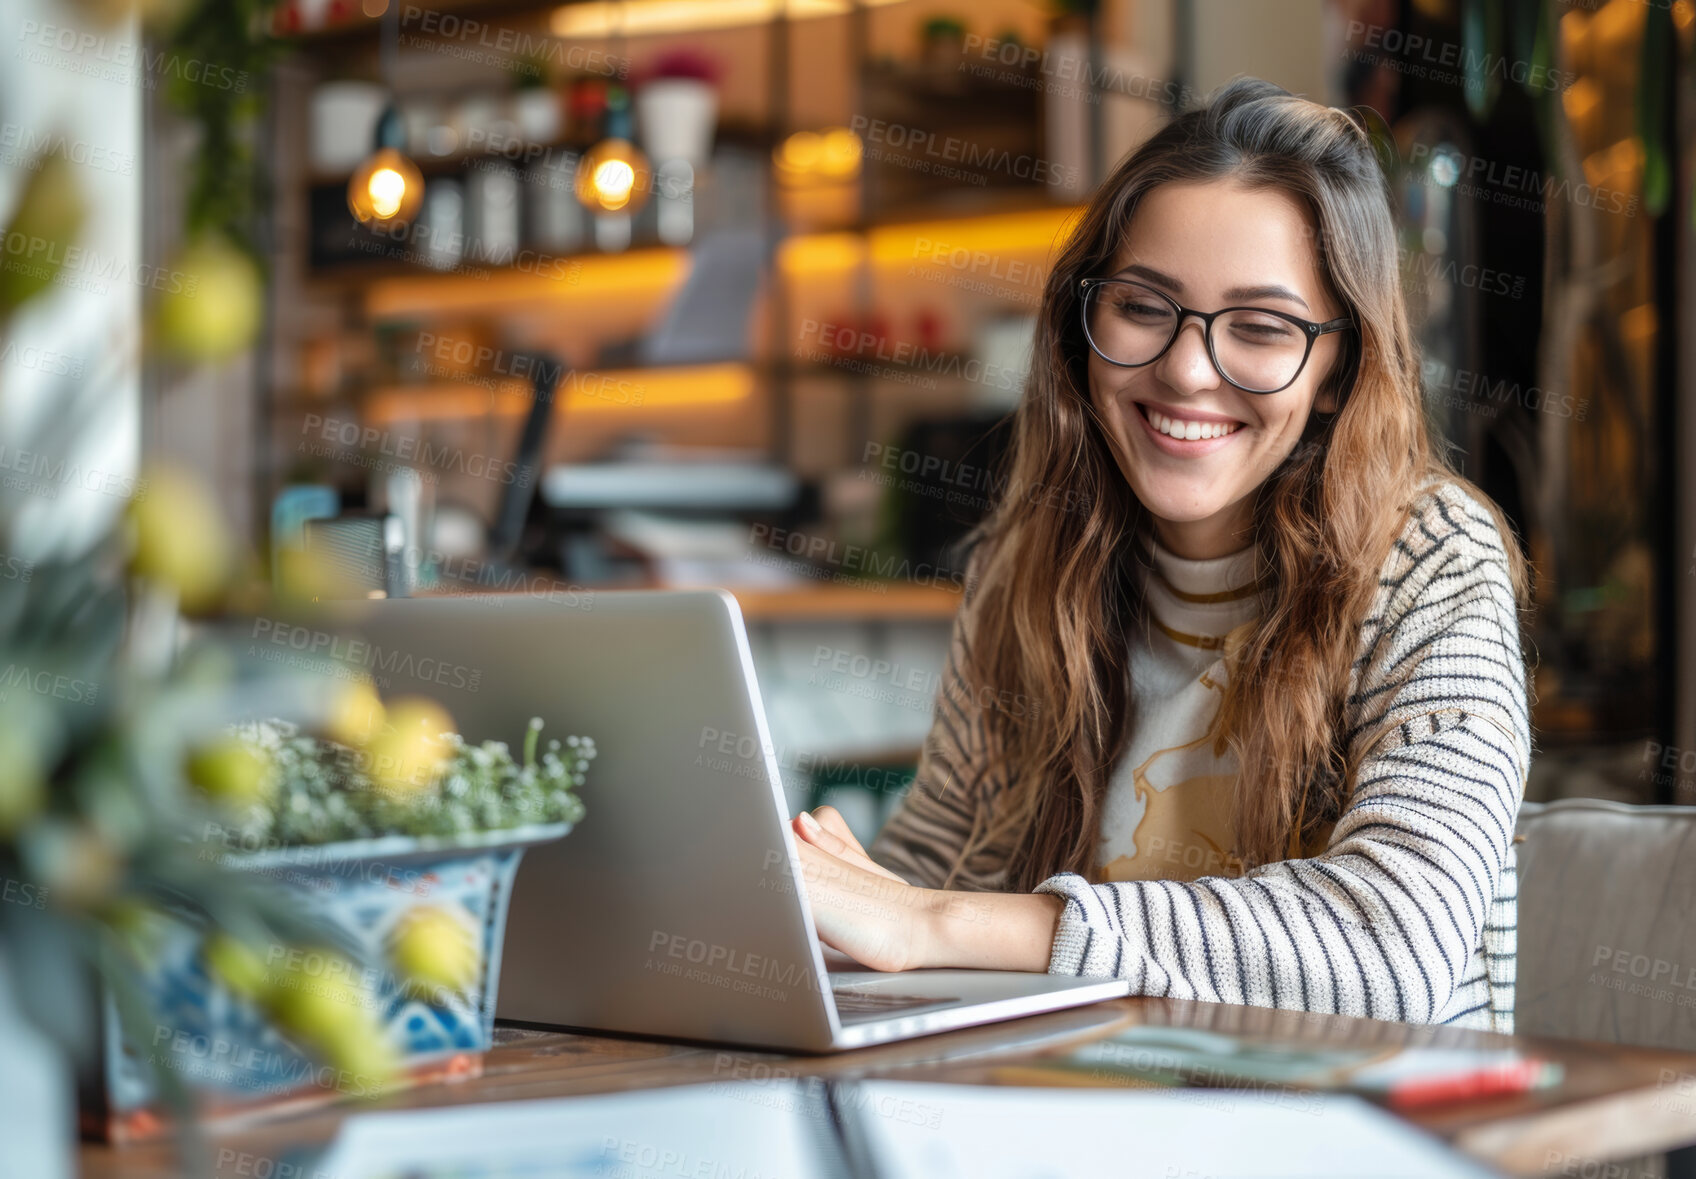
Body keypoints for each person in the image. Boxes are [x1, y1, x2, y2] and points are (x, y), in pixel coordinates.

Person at [788, 76, 1533, 1033]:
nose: (1186, 369)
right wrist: (821, 901)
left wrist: (934, 921)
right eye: (1144, 306)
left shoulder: (1434, 561)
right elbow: (936, 873)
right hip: (1074, 1119)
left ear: (1339, 369)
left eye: (1262, 327)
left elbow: (1395, 948)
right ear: (1082, 324)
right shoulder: (1026, 565)